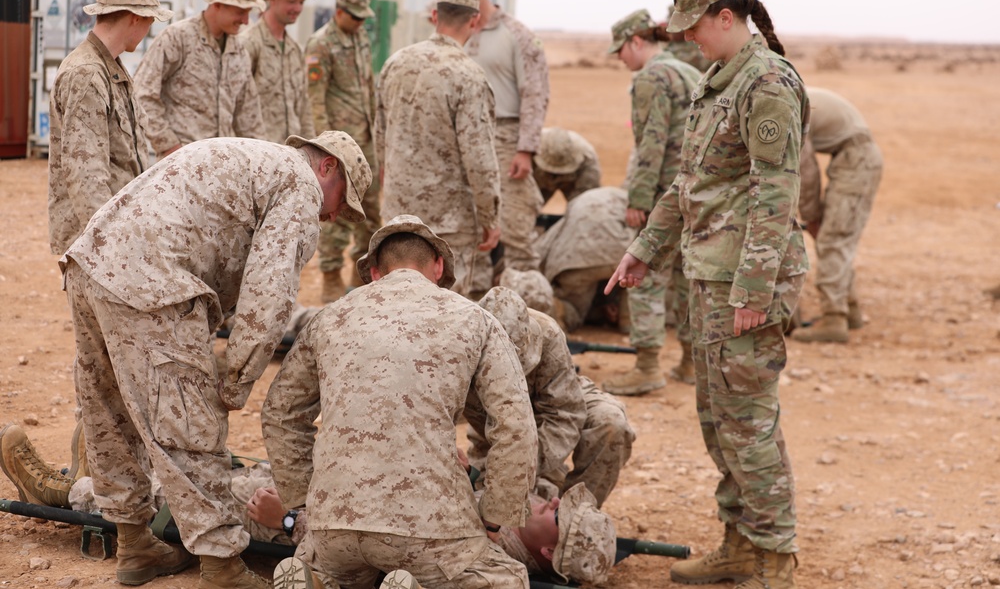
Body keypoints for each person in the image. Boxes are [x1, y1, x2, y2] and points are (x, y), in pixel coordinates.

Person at [61, 131, 372, 589]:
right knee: (190, 422)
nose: (331, 217)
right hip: (154, 282)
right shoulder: (300, 185)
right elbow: (269, 296)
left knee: (108, 409)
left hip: (92, 261)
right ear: (328, 168)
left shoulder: (252, 157)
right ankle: (222, 567)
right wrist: (234, 380)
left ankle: (134, 543)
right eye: (340, 204)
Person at [605, 0, 809, 588]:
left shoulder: (766, 83)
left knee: (749, 424)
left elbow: (774, 193)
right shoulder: (716, 78)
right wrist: (645, 248)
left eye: (697, 24)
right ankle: (738, 543)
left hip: (744, 283)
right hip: (708, 275)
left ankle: (774, 559)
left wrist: (753, 288)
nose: (689, 36)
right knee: (717, 421)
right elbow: (689, 183)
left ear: (728, 16)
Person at [261, 214, 537, 589]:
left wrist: (304, 501)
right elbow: (516, 426)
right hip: (428, 526)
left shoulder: (328, 318)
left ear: (375, 272)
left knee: (336, 567)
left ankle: (326, 578)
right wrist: (493, 518)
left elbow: (280, 411)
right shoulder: (476, 320)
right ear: (438, 267)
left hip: (333, 524)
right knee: (506, 579)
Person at [0, 424, 614, 586]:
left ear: (548, 549)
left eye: (557, 515)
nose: (551, 500)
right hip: (324, 483)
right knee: (216, 468)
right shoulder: (504, 519)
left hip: (301, 518)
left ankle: (63, 490)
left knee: (193, 496)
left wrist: (286, 523)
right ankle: (101, 471)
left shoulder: (476, 551)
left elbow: (368, 547)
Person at [375, 0, 500, 299]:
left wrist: (387, 192)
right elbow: (480, 159)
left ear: (434, 15)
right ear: (474, 21)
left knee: (394, 302)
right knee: (447, 310)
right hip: (448, 223)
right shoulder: (469, 76)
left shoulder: (395, 64)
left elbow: (380, 136)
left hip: (398, 215)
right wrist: (490, 217)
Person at [604, 9, 701, 396]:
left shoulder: (651, 77)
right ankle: (691, 364)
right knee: (686, 279)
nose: (619, 59)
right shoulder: (687, 71)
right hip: (697, 192)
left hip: (664, 194)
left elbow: (651, 142)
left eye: (620, 50)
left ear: (636, 42)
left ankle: (646, 366)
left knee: (642, 277)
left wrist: (640, 199)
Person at [472, 287, 635, 508]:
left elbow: (564, 414)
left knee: (611, 423)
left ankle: (574, 516)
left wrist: (528, 466)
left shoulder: (547, 332)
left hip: (558, 396)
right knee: (491, 500)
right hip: (494, 419)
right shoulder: (459, 339)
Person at [47, 0, 172, 255]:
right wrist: (108, 244)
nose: (148, 30)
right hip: (99, 241)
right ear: (134, 18)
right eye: (150, 21)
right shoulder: (87, 73)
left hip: (118, 229)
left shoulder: (110, 67)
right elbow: (85, 172)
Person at [445, 0, 549, 273]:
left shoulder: (517, 35)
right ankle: (474, 303)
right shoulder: (451, 32)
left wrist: (525, 149)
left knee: (515, 227)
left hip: (505, 138)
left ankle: (528, 307)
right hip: (459, 138)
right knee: (469, 226)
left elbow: (535, 92)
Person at [133, 0, 264, 157]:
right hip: (181, 166)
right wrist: (169, 146)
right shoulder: (178, 38)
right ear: (218, 5)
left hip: (224, 166)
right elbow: (142, 94)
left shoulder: (239, 51)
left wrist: (258, 158)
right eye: (240, 12)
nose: (245, 20)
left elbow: (249, 116)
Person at [307, 0, 381, 301]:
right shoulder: (321, 43)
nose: (361, 23)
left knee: (372, 212)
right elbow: (315, 99)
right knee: (336, 215)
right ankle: (331, 278)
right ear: (339, 12)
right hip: (339, 146)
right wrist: (327, 147)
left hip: (366, 141)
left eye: (364, 18)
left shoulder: (360, 38)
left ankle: (359, 273)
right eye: (356, 17)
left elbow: (368, 85)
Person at [790, 87, 882, 343]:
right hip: (854, 158)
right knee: (835, 239)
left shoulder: (788, 104)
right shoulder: (793, 92)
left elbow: (805, 168)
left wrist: (811, 216)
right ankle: (849, 310)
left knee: (832, 240)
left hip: (856, 161)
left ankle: (834, 319)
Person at [536, 187, 637, 332]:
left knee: (573, 308)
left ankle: (554, 309)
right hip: (619, 254)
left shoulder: (594, 198)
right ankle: (629, 322)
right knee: (640, 268)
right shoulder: (643, 204)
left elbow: (546, 245)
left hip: (573, 261)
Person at [239, 0, 316, 145]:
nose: (297, 8)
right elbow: (236, 104)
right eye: (291, 1)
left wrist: (311, 147)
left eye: (301, 2)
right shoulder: (249, 44)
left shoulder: (295, 49)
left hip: (292, 154)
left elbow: (303, 106)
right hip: (259, 153)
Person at [533, 127, 602, 204]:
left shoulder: (587, 157)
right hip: (538, 178)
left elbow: (588, 195)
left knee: (584, 205)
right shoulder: (530, 146)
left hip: (572, 181)